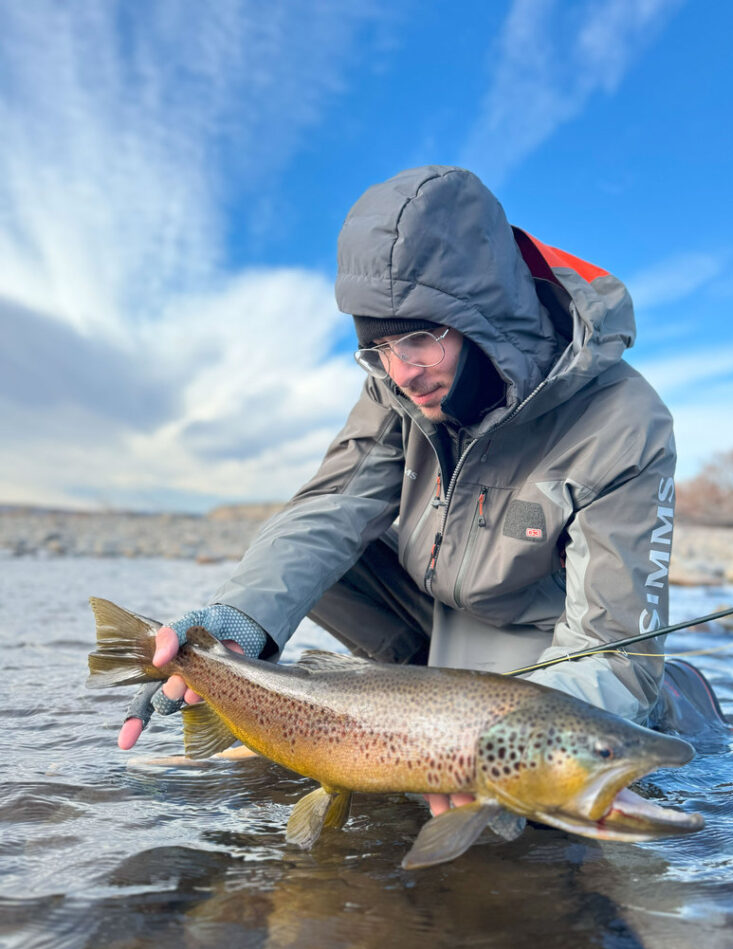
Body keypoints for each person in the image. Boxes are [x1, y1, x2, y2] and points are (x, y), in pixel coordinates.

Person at [119, 165, 680, 811]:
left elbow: (614, 652)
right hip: (427, 627)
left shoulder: (627, 421)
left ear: (490, 313)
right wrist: (229, 632)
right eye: (379, 346)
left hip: (550, 664)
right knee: (307, 534)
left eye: (420, 337)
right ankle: (374, 716)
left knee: (560, 801)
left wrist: (507, 751)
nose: (401, 371)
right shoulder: (396, 384)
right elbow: (331, 507)